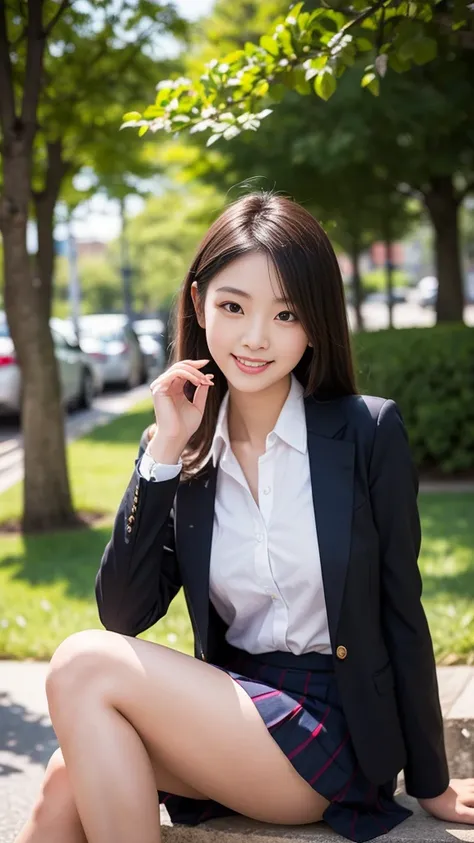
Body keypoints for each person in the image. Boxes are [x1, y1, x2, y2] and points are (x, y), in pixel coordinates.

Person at [16, 192, 474, 843]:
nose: (256, 337)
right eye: (233, 307)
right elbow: (124, 612)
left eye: (286, 313)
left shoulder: (366, 432)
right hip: (230, 707)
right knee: (65, 774)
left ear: (315, 324)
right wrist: (165, 450)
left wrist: (433, 781)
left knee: (81, 663)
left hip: (331, 726)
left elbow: (403, 608)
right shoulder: (186, 448)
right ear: (200, 304)